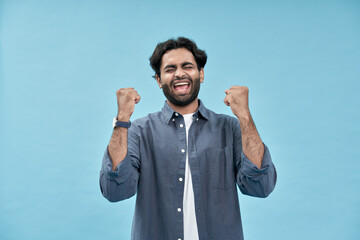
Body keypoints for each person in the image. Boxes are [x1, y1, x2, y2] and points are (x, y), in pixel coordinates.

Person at [100, 37, 277, 240]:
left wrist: (244, 116)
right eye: (170, 69)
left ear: (201, 74)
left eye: (187, 66)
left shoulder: (230, 127)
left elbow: (261, 186)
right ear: (159, 80)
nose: (179, 74)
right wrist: (122, 119)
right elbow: (115, 191)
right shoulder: (138, 131)